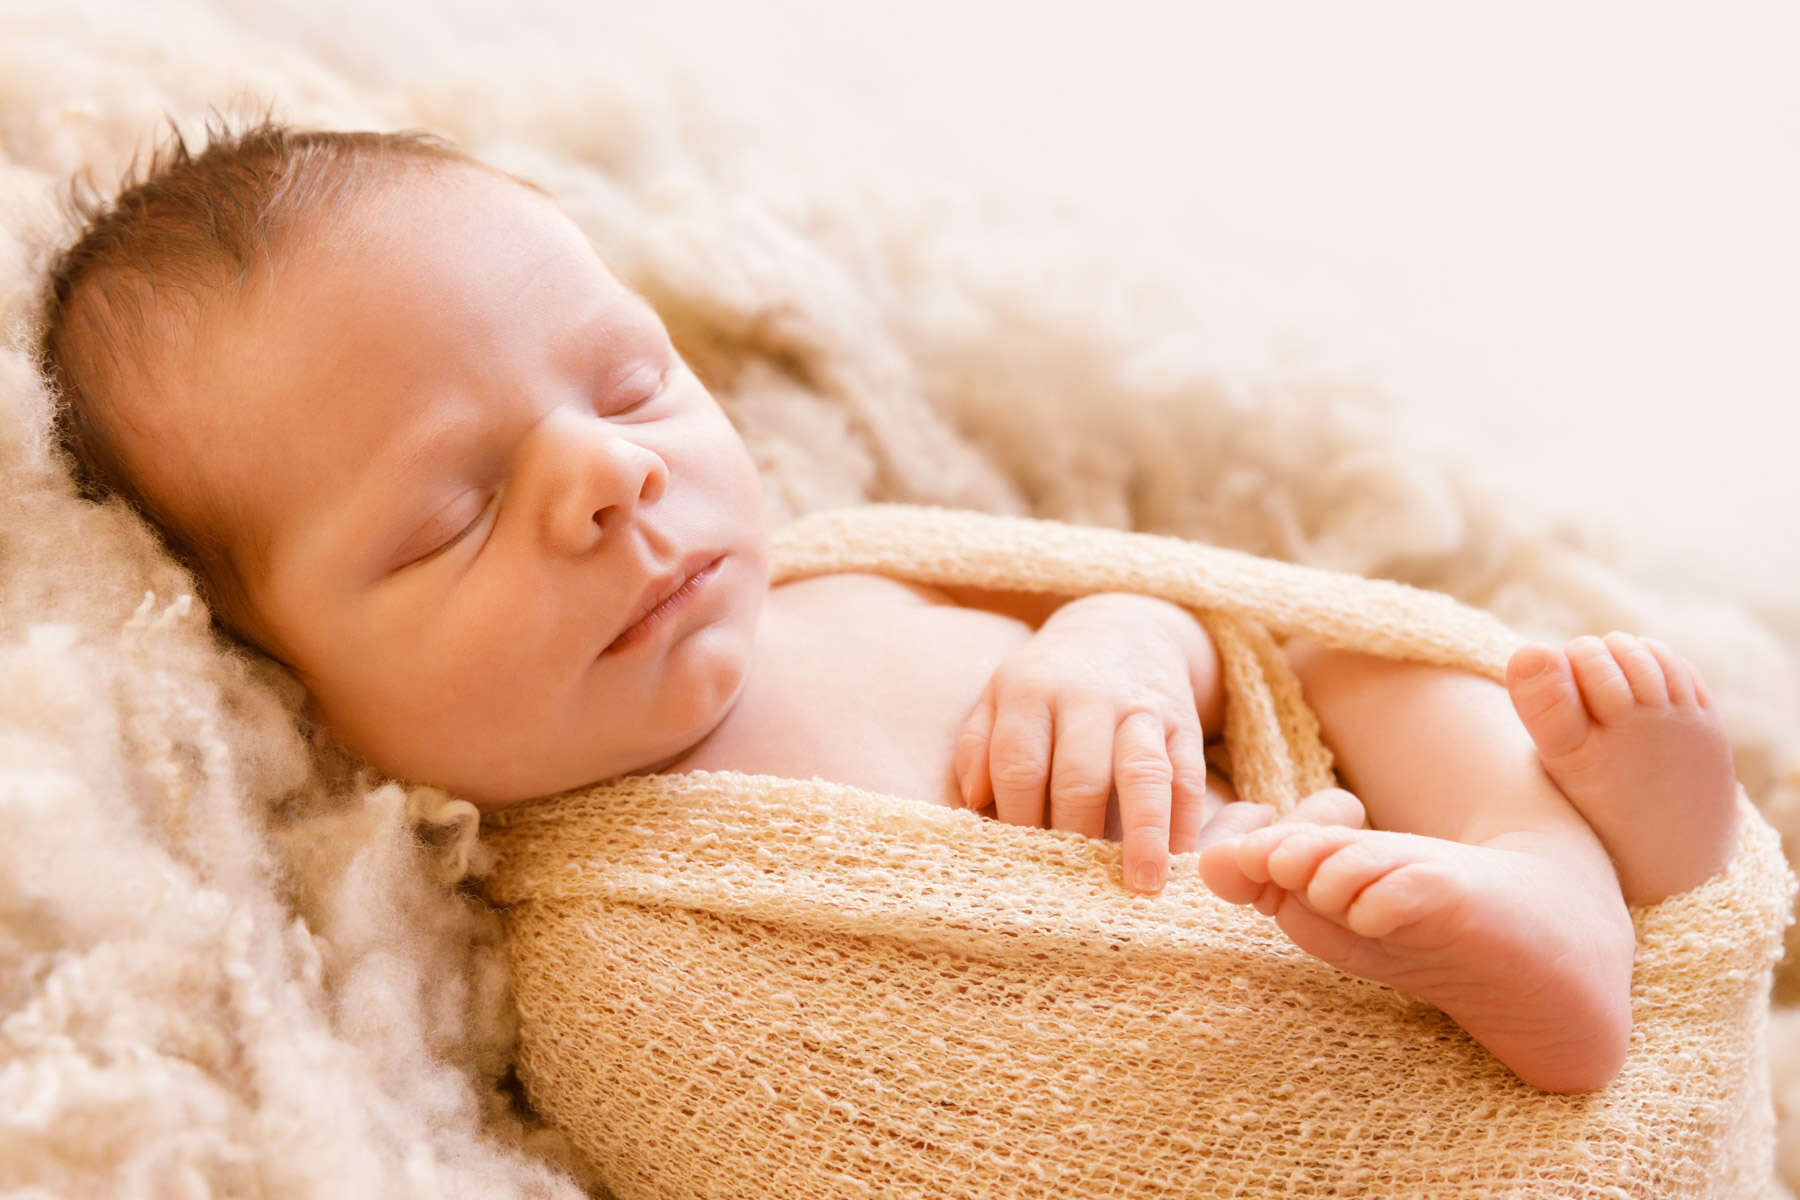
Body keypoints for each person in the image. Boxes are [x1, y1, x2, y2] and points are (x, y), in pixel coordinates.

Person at [35, 119, 1742, 1096]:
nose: (607, 479)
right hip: (1261, 1032)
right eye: (453, 514)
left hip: (1347, 839)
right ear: (284, 686)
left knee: (1363, 650)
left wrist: (1116, 647)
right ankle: (1576, 896)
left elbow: (1165, 604)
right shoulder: (605, 942)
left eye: (632, 389)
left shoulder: (855, 571)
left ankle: (1585, 881)